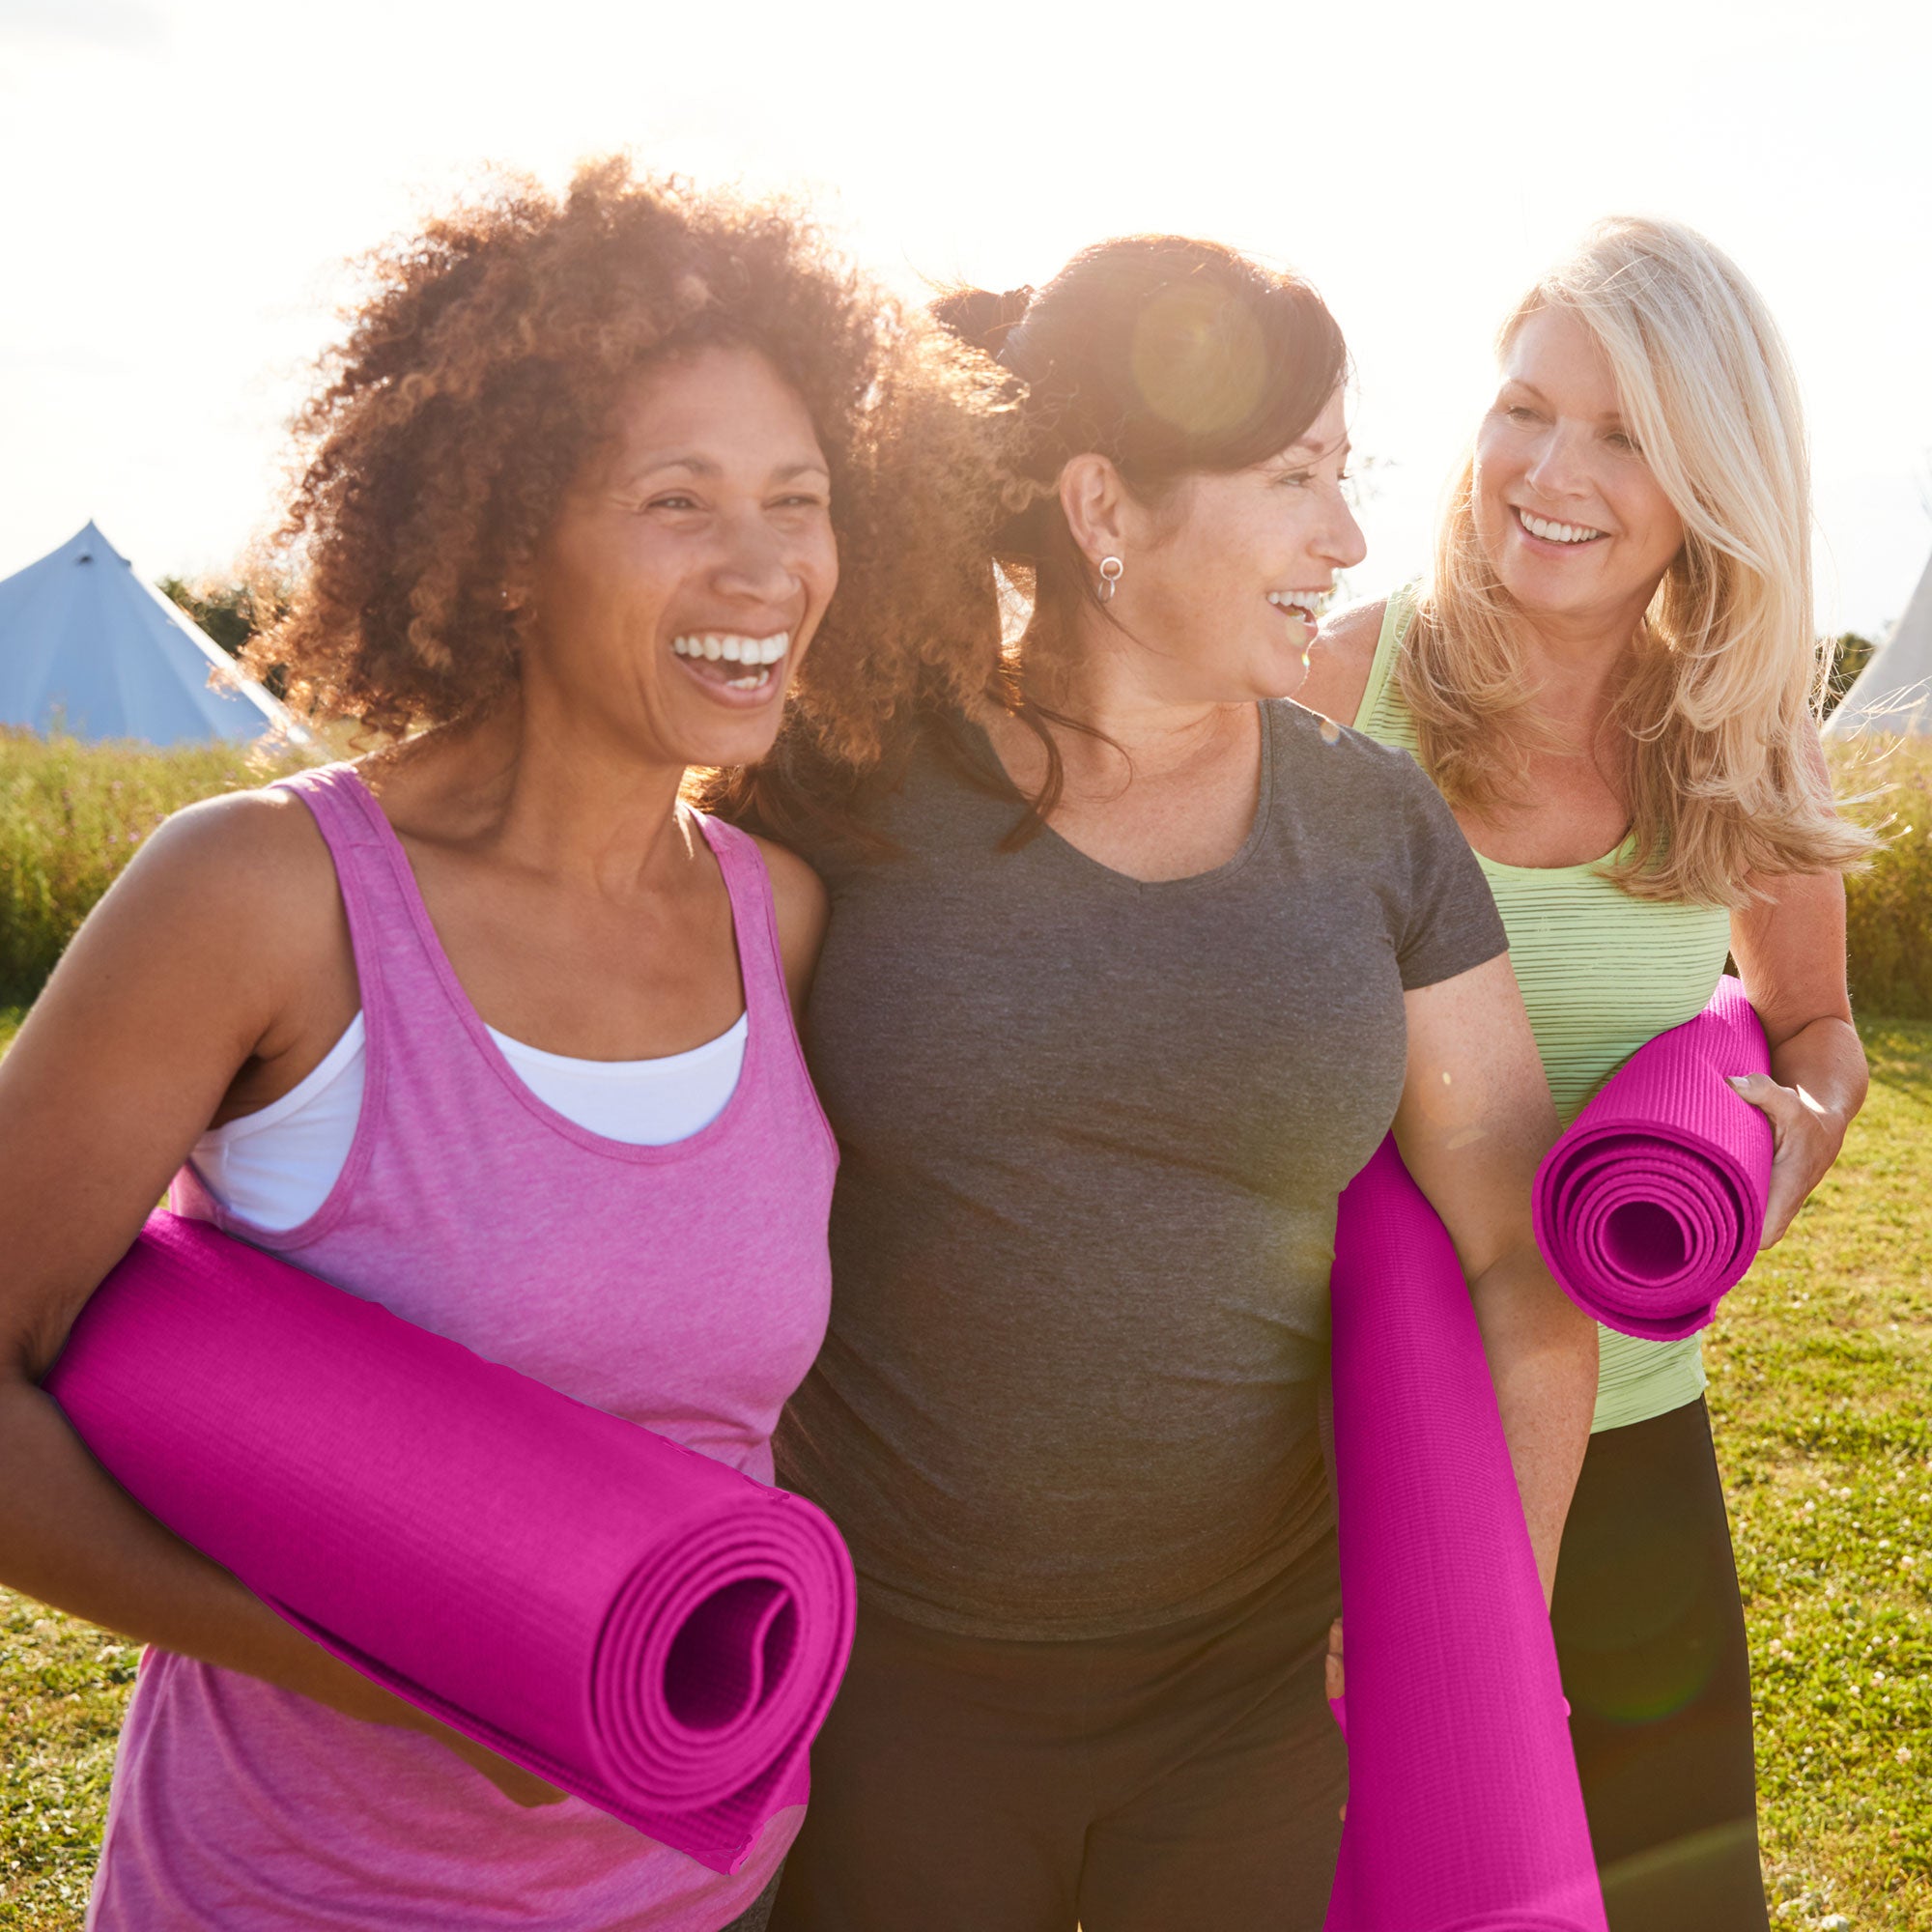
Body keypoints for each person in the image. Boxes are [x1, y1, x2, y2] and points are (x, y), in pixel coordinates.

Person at [0, 160, 991, 1932]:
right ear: (516, 544)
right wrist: (423, 1664)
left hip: (706, 1883)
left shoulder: (790, 921)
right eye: (677, 500)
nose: (763, 565)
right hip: (298, 1892)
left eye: (801, 499)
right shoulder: (263, 895)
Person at [719, 238, 1601, 1932]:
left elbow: (1515, 1245)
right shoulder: (842, 789)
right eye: (1296, 480)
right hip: (886, 1683)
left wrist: (1486, 1611)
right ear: (1103, 507)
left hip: (1252, 1704)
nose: (1347, 539)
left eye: (1348, 478)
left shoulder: (1371, 823)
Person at [1300, 215, 1871, 1932]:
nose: (1551, 470)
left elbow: (1814, 1031)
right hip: (1337, 1448)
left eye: (1623, 434)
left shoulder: (1741, 731)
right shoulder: (1343, 686)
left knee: (1676, 1899)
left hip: (1628, 1441)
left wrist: (1788, 1145)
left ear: (1710, 476)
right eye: (1523, 407)